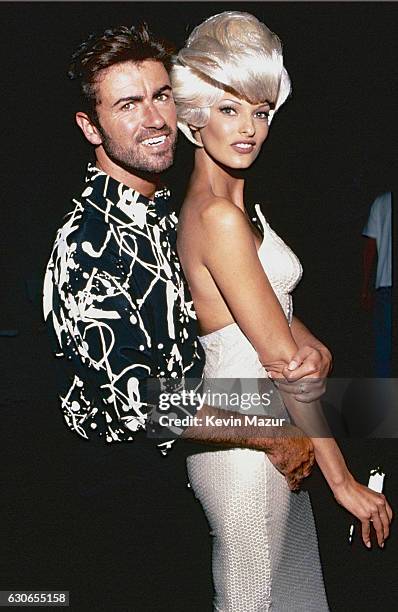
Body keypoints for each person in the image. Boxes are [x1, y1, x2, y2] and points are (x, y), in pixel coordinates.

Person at [42, 23, 317, 608]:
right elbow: (140, 402)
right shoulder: (87, 246)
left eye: (161, 95)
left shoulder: (167, 211)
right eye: (127, 104)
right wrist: (272, 431)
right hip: (120, 496)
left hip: (190, 469)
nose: (155, 119)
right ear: (90, 127)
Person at [171, 11, 393, 611]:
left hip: (281, 436)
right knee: (250, 602)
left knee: (291, 598)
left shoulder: (238, 209)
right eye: (228, 108)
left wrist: (313, 343)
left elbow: (270, 315)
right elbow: (280, 365)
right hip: (247, 447)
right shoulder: (216, 218)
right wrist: (343, 482)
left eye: (261, 111)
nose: (249, 128)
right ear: (193, 117)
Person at [361, 191, 392, 377]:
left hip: (385, 287)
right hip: (385, 288)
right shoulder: (381, 201)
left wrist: (365, 289)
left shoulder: (381, 201)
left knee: (384, 352)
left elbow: (369, 248)